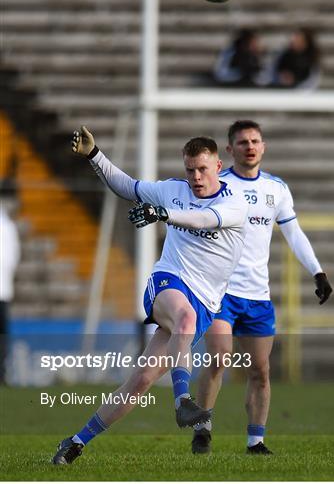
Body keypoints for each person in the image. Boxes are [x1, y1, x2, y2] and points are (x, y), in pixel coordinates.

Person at [52, 126, 248, 465]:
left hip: (204, 302)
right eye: (190, 170)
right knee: (183, 317)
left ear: (218, 166)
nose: (196, 177)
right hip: (168, 282)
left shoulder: (234, 203)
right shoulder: (173, 190)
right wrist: (94, 156)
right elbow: (128, 187)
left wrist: (163, 214)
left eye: (203, 169)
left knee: (140, 381)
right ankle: (183, 401)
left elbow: (204, 219)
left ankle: (76, 442)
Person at [191, 120, 332, 455]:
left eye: (255, 141)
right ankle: (202, 429)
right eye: (242, 142)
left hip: (258, 296)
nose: (249, 146)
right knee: (218, 357)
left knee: (261, 370)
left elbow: (293, 233)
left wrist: (318, 272)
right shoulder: (216, 185)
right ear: (229, 150)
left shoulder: (277, 189)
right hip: (220, 292)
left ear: (264, 146)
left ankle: (256, 441)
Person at [0, 187, 21, 384]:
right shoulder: (8, 225)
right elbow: (13, 257)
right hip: (4, 289)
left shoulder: (7, 225)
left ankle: (3, 374)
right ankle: (2, 374)